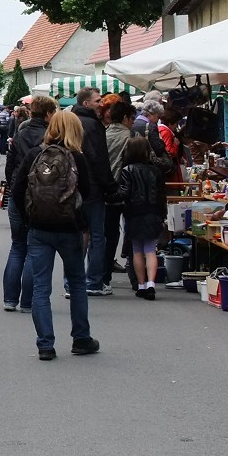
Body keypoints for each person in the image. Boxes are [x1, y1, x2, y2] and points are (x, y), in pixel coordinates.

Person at [11, 110, 98, 360]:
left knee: (41, 287)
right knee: (77, 283)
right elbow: (88, 193)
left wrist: (31, 218)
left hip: (39, 229)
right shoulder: (77, 158)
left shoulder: (35, 155)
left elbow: (17, 191)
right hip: (69, 229)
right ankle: (81, 338)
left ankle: (45, 344)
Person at [2, 95, 58, 312]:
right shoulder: (49, 136)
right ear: (48, 113)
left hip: (18, 192)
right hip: (38, 197)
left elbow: (10, 165)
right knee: (34, 250)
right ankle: (27, 302)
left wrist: (14, 184)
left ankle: (9, 299)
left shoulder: (21, 133)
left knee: (17, 246)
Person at [71, 87, 116, 297]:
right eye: (98, 101)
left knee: (78, 234)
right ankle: (93, 281)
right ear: (87, 103)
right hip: (93, 187)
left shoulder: (70, 120)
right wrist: (109, 185)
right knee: (97, 236)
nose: (102, 104)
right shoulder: (92, 124)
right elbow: (99, 159)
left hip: (72, 186)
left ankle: (71, 281)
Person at [115, 136, 167, 300]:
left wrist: (109, 196)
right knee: (151, 250)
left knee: (137, 250)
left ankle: (141, 284)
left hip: (134, 213)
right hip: (153, 212)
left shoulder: (127, 170)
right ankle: (152, 283)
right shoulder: (155, 171)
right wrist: (162, 214)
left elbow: (124, 193)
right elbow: (161, 195)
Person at [104, 101, 136, 287]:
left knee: (106, 234)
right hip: (126, 189)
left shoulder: (104, 133)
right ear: (125, 118)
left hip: (107, 189)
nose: (133, 122)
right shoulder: (130, 136)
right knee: (127, 234)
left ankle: (102, 274)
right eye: (132, 118)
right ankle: (134, 276)